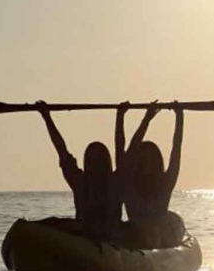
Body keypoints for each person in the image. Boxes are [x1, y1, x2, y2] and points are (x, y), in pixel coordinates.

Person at [35, 101, 140, 240]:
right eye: (91, 160)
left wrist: (120, 116)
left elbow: (121, 147)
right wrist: (46, 117)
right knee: (53, 222)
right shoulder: (79, 182)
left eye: (99, 160)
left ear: (106, 162)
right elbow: (61, 149)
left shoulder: (116, 182)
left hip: (111, 238)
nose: (95, 165)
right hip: (85, 235)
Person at [121, 101, 185, 248]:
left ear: (157, 161)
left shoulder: (165, 183)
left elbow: (176, 149)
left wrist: (179, 117)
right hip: (138, 234)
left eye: (151, 158)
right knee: (144, 233)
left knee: (152, 232)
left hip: (163, 233)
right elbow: (127, 149)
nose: (147, 163)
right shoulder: (128, 184)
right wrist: (146, 119)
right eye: (143, 158)